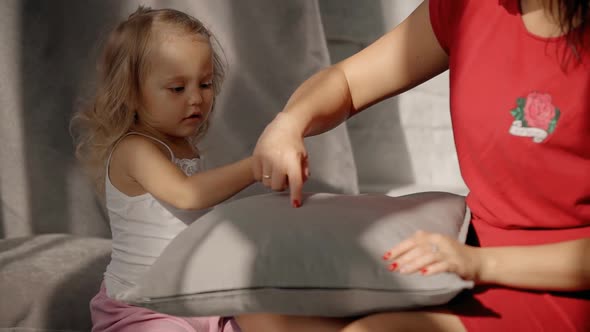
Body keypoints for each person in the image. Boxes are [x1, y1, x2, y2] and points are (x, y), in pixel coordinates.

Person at [239, 0, 590, 331]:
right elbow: (347, 82)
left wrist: (479, 264)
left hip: (561, 279)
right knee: (264, 312)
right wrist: (290, 122)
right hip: (467, 255)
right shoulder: (468, 7)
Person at [70, 6, 250, 332]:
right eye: (178, 88)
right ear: (132, 94)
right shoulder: (134, 149)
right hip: (143, 307)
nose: (196, 98)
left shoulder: (184, 146)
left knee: (263, 311)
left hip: (199, 298)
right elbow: (188, 195)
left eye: (206, 84)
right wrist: (256, 166)